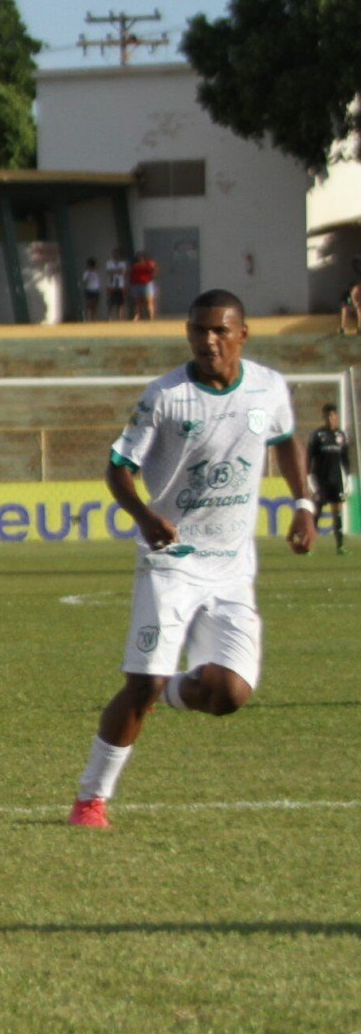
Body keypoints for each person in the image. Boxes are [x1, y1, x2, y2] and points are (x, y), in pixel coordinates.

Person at [67, 290, 317, 828]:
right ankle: (91, 799)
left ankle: (170, 689)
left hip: (232, 567)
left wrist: (303, 503)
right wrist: (144, 516)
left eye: (220, 331)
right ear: (187, 333)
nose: (208, 340)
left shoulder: (269, 387)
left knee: (228, 693)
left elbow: (287, 440)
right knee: (141, 686)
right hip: (172, 559)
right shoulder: (165, 397)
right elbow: (117, 467)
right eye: (199, 330)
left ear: (242, 335)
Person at [309, 404, 353, 556]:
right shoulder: (318, 435)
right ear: (324, 417)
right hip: (321, 480)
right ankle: (310, 546)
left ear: (337, 417)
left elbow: (345, 459)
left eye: (333, 416)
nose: (330, 419)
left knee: (337, 513)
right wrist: (310, 478)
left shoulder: (341, 435)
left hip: (336, 480)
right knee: (317, 513)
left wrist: (348, 478)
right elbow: (310, 457)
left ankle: (340, 546)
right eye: (328, 416)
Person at [128, 252, 159, 322]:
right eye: (138, 257)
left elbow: (155, 270)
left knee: (149, 301)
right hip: (136, 284)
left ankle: (151, 316)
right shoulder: (134, 265)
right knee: (137, 302)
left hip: (147, 283)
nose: (140, 258)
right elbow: (131, 275)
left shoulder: (149, 263)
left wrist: (154, 273)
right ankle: (137, 315)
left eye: (141, 257)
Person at [105, 253, 129, 321]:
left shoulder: (122, 263)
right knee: (110, 302)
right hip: (111, 285)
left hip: (120, 285)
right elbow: (108, 272)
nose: (116, 256)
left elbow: (123, 272)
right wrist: (117, 271)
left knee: (120, 302)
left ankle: (120, 317)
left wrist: (114, 271)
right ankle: (110, 317)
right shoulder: (109, 263)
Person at [81, 258, 102, 322]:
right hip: (89, 290)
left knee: (95, 305)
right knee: (89, 305)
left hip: (95, 290)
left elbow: (98, 281)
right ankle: (89, 319)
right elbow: (84, 281)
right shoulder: (86, 273)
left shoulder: (96, 273)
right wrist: (89, 276)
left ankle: (95, 318)